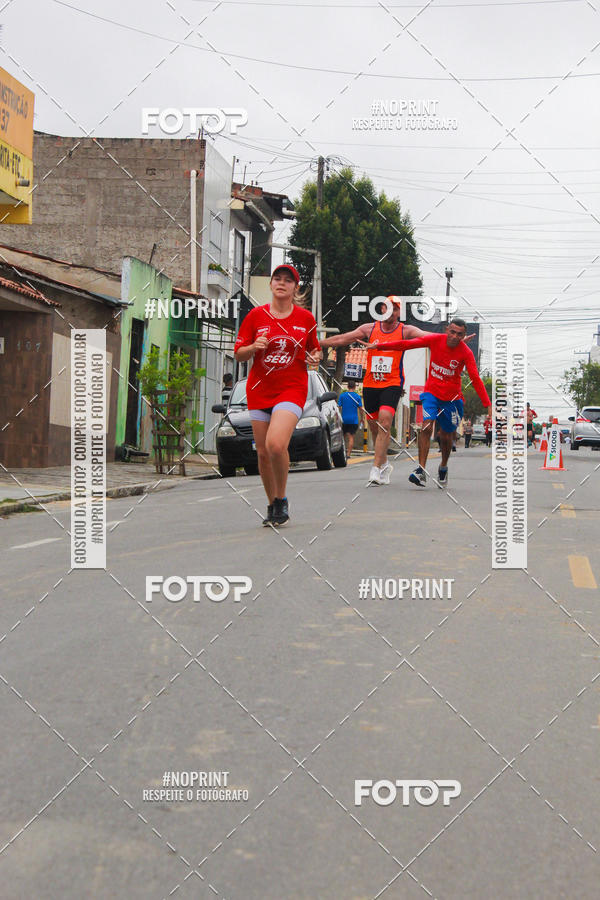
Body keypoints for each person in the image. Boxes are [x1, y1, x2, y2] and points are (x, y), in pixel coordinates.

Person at [320, 298, 444, 486]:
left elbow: (427, 336)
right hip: (371, 384)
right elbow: (342, 338)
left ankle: (375, 468)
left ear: (398, 313)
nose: (392, 312)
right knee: (374, 426)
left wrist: (451, 339)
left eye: (396, 309)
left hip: (392, 383)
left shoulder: (404, 330)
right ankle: (385, 463)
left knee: (385, 421)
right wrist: (317, 342)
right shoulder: (369, 329)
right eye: (389, 308)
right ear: (381, 309)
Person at [233, 264, 322, 526]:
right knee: (262, 453)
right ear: (271, 285)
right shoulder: (255, 317)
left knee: (275, 444)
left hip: (291, 389)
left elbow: (315, 350)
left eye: (288, 280)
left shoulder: (305, 319)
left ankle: (281, 499)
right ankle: (272, 503)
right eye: (277, 279)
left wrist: (314, 356)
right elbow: (238, 352)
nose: (281, 283)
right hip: (260, 390)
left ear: (295, 288)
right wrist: (253, 346)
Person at [363, 318, 491, 488]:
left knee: (446, 436)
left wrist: (487, 404)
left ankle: (443, 466)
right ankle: (421, 470)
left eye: (459, 334)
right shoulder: (435, 340)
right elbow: (406, 344)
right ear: (446, 330)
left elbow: (475, 378)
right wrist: (379, 346)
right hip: (431, 393)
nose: (454, 336)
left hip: (452, 399)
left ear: (463, 336)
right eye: (452, 332)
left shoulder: (466, 352)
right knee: (426, 426)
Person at [337, 380, 365, 456]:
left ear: (348, 386)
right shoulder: (357, 396)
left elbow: (338, 407)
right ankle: (348, 454)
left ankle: (340, 453)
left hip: (344, 420)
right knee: (351, 437)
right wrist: (362, 418)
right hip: (353, 420)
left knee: (342, 437)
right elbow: (361, 410)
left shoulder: (342, 396)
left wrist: (338, 417)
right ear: (355, 387)